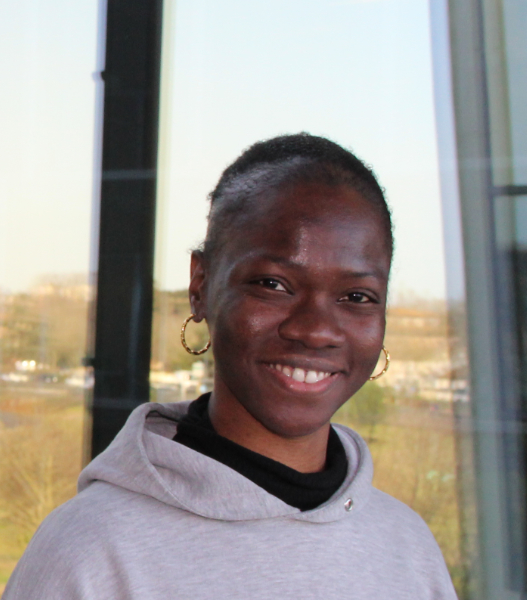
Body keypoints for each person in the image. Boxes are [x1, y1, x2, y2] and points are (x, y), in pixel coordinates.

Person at [4, 133, 457, 599]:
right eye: (273, 284)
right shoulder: (91, 552)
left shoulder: (407, 547)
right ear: (200, 285)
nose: (316, 329)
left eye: (357, 296)